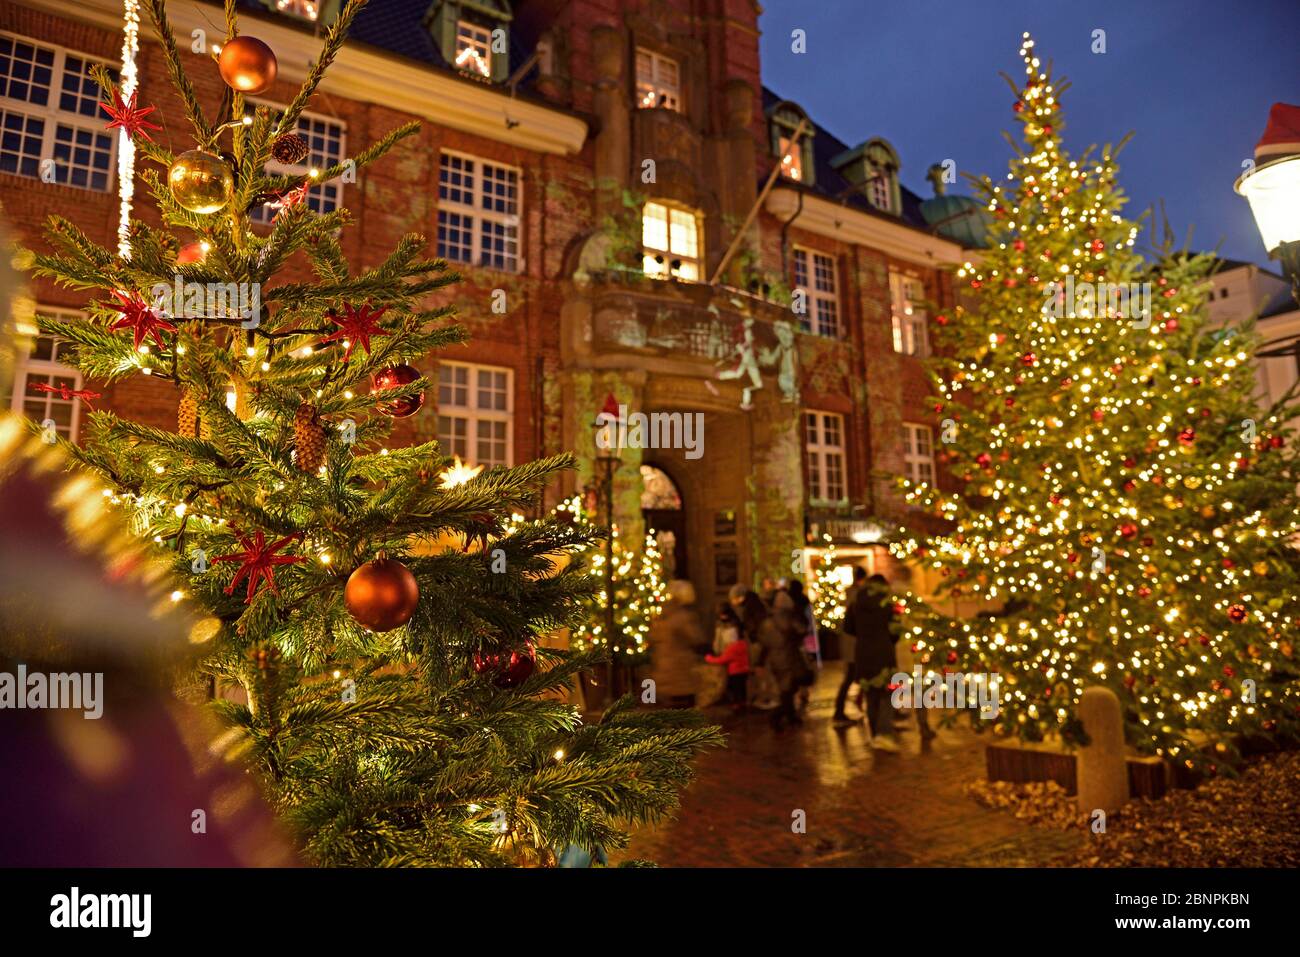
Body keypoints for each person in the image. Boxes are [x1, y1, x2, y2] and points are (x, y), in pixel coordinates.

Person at [843, 574, 901, 751]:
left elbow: (847, 627)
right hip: (884, 652)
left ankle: (875, 734)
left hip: (863, 653)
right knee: (889, 694)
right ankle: (884, 733)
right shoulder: (888, 603)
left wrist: (864, 636)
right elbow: (895, 630)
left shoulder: (856, 603)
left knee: (871, 695)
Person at [757, 590, 812, 730]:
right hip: (790, 656)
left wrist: (760, 662)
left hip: (774, 659)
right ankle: (777, 716)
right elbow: (802, 630)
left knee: (786, 688)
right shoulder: (790, 618)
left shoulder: (767, 622)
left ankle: (790, 715)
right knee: (789, 689)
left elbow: (763, 642)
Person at [647, 579, 707, 708]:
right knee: (685, 708)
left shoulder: (662, 616)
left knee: (671, 709)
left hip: (664, 668)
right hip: (680, 669)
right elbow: (696, 638)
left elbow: (653, 637)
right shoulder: (682, 617)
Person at [832, 566, 868, 727]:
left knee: (856, 676)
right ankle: (840, 711)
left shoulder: (850, 594)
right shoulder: (858, 596)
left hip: (851, 645)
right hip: (855, 646)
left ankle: (853, 705)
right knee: (853, 677)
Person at [705, 606, 751, 712]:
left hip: (734, 670)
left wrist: (709, 658)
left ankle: (736, 704)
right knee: (741, 688)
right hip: (742, 669)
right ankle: (742, 702)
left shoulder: (732, 646)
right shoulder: (742, 644)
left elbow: (723, 658)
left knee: (734, 688)